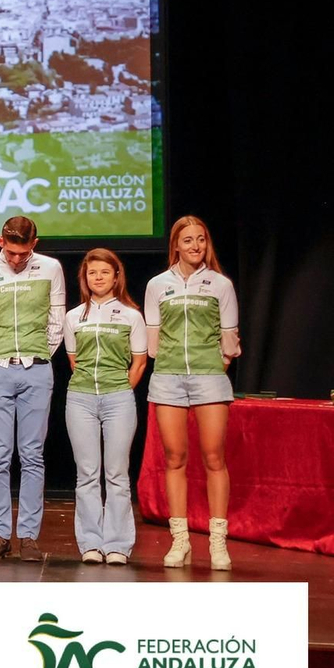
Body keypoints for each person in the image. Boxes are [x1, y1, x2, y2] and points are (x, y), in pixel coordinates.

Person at [145, 215, 241, 570]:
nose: (195, 246)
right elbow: (153, 340)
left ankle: (218, 543)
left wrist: (212, 365)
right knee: (174, 458)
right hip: (167, 377)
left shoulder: (220, 284)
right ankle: (180, 541)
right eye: (188, 240)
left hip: (209, 377)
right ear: (176, 245)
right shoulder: (157, 284)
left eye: (200, 239)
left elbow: (229, 340)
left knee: (214, 457)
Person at [0, 215, 66, 563]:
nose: (16, 260)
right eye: (10, 252)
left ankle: (27, 535)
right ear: (0, 242)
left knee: (32, 454)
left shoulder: (50, 268)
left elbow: (57, 319)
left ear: (34, 245)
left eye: (23, 254)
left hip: (37, 369)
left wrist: (36, 354)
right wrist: (0, 356)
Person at [63, 249, 147, 565]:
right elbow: (74, 361)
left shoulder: (130, 315)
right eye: (92, 273)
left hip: (119, 399)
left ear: (116, 276)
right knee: (87, 473)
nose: (98, 278)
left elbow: (139, 362)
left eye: (104, 272)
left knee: (116, 473)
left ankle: (117, 545)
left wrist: (120, 389)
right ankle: (90, 543)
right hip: (81, 398)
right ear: (85, 278)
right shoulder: (74, 317)